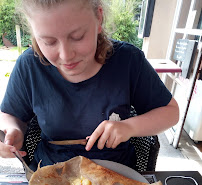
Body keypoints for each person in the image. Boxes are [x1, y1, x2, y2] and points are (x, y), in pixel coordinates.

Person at [0, 0, 179, 171]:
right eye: (49, 42)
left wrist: (129, 127)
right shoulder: (30, 65)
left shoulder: (128, 61)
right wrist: (13, 130)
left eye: (77, 37)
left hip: (117, 178)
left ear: (99, 18)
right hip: (51, 176)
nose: (66, 55)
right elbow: (10, 115)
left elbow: (171, 112)